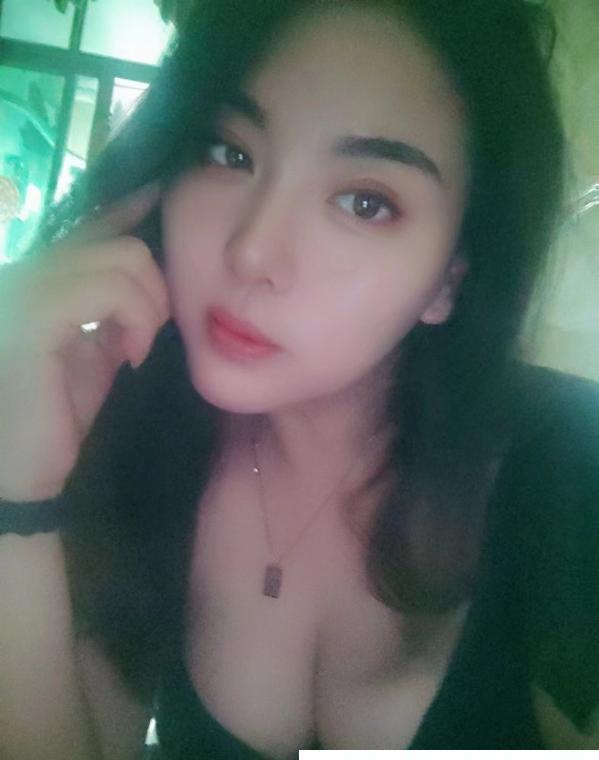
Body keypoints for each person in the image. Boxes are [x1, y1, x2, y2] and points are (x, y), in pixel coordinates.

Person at [0, 1, 598, 757]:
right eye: (229, 153)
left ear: (449, 278)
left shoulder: (570, 468)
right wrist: (18, 485)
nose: (251, 251)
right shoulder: (136, 429)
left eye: (365, 202)